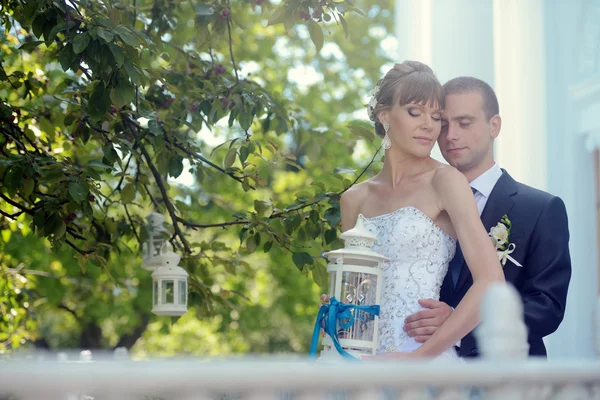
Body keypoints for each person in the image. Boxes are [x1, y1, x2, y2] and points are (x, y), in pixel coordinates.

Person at [335, 61, 505, 360]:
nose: (429, 124)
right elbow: (354, 291)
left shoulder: (445, 181)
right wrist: (338, 307)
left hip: (420, 357)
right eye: (415, 112)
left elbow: (491, 281)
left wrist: (419, 357)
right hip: (358, 359)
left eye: (436, 116)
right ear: (384, 115)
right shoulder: (353, 199)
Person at [402, 77, 572, 358]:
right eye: (443, 124)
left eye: (464, 123)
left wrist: (459, 323)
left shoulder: (541, 209)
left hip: (505, 374)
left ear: (494, 126)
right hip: (426, 374)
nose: (450, 135)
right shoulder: (414, 210)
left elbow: (547, 306)